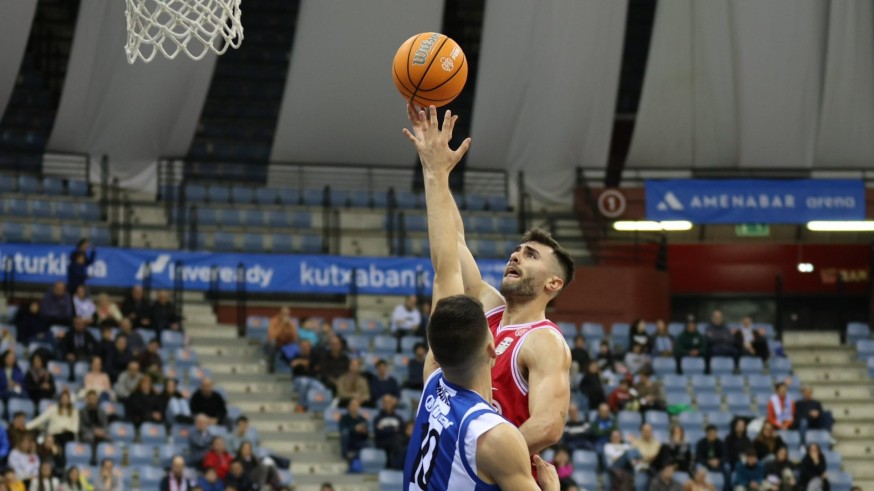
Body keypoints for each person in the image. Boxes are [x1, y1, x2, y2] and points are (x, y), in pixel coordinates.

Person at [402, 105, 560, 489]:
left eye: (531, 254)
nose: (516, 254)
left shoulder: (431, 383)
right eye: (519, 249)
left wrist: (435, 173)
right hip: (488, 447)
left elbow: (445, 267)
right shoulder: (492, 437)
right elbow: (452, 250)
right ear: (492, 348)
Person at [373, 394, 404, 468]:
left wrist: (385, 429)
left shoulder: (399, 418)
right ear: (382, 404)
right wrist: (393, 429)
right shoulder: (378, 418)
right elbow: (378, 432)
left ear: (393, 403)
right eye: (385, 402)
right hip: (382, 443)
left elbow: (401, 431)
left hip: (395, 443)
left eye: (389, 402)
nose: (387, 404)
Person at [339, 398, 369, 470]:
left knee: (370, 444)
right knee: (345, 433)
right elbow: (342, 430)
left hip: (358, 440)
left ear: (358, 407)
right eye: (352, 405)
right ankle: (346, 454)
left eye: (355, 405)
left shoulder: (362, 419)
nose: (354, 407)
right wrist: (354, 429)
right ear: (348, 407)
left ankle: (354, 455)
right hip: (349, 441)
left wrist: (363, 431)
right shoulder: (344, 418)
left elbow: (366, 435)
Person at [265, 307, 298, 373]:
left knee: (296, 348)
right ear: (280, 313)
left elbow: (294, 338)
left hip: (285, 344)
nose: (285, 315)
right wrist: (282, 325)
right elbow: (272, 336)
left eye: (287, 314)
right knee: (272, 345)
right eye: (284, 313)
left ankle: (295, 370)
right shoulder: (274, 321)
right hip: (275, 343)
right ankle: (271, 368)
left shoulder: (290, 323)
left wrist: (290, 326)